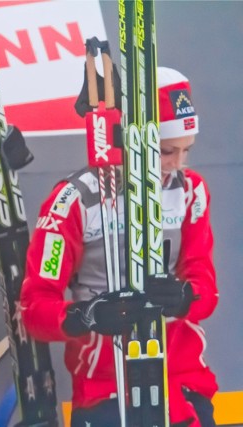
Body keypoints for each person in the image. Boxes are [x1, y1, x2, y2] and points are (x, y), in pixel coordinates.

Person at [20, 67, 218, 427]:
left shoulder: (190, 192)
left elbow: (205, 282)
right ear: (130, 139)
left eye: (186, 151)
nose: (177, 165)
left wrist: (187, 296)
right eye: (166, 151)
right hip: (105, 382)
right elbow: (35, 308)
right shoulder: (73, 202)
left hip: (181, 373)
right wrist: (85, 315)